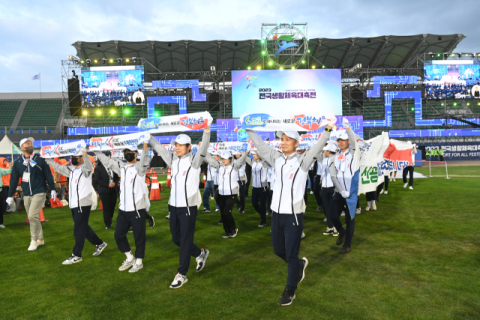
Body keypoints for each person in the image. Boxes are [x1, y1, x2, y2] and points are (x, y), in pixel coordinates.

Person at [247, 120, 333, 306]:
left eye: (288, 139)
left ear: (296, 143)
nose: (283, 142)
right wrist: (248, 128)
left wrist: (327, 129)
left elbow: (318, 145)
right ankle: (299, 266)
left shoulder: (303, 161)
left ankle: (290, 290)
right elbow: (261, 146)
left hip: (293, 215)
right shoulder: (276, 157)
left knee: (291, 255)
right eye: (282, 139)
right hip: (276, 214)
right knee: (278, 250)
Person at [149, 128, 211, 289]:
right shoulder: (173, 160)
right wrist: (148, 137)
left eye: (181, 145)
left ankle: (181, 274)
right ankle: (199, 253)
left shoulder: (194, 161)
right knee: (176, 239)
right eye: (176, 144)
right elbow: (160, 149)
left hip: (188, 207)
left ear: (189, 147)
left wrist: (207, 131)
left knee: (184, 240)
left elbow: (204, 147)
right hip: (174, 207)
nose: (177, 147)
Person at [94, 137, 151, 273]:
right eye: (125, 152)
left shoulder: (140, 168)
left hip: (137, 209)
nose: (127, 154)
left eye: (130, 151)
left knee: (139, 237)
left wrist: (145, 143)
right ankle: (129, 257)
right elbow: (106, 161)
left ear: (136, 154)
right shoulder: (122, 168)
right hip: (123, 210)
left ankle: (139, 262)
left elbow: (145, 158)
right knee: (118, 235)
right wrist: (95, 149)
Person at [46, 147, 108, 265]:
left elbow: (89, 164)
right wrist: (47, 159)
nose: (72, 159)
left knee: (78, 229)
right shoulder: (72, 169)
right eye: (72, 157)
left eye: (75, 157)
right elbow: (58, 167)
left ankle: (77, 255)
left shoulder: (86, 169)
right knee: (83, 227)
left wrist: (84, 151)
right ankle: (100, 243)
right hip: (74, 203)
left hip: (82, 203)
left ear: (81, 158)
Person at [7, 137, 57, 251]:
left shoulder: (40, 158)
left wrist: (53, 188)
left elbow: (48, 174)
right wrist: (10, 195)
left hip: (39, 191)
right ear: (22, 148)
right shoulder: (19, 162)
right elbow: (14, 179)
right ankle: (40, 239)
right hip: (26, 193)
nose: (30, 144)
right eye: (27, 143)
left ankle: (33, 240)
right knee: (34, 217)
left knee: (31, 216)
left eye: (30, 143)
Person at [329, 119, 361, 255]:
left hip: (352, 193)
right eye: (339, 140)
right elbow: (333, 176)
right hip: (339, 192)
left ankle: (347, 244)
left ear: (348, 141)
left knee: (350, 219)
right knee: (332, 216)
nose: (341, 142)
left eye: (343, 140)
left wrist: (348, 128)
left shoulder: (354, 154)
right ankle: (341, 232)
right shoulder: (335, 157)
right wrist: (341, 191)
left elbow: (356, 143)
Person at [205, 150, 247, 238]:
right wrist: (203, 150)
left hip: (232, 193)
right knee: (223, 214)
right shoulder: (219, 166)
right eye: (222, 158)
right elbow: (209, 159)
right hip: (221, 194)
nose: (223, 160)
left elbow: (241, 159)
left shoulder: (235, 166)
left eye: (225, 158)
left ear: (230, 159)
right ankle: (227, 232)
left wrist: (245, 153)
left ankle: (234, 229)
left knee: (227, 212)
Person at [94, 151, 120, 229]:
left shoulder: (113, 167)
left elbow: (116, 177)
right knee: (106, 207)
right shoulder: (98, 168)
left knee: (112, 205)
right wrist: (107, 184)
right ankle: (107, 223)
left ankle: (110, 218)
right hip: (104, 191)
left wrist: (115, 183)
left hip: (113, 190)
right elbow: (97, 180)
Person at [245, 151, 269, 227]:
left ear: (259, 155)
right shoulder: (253, 162)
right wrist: (246, 152)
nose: (253, 156)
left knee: (262, 204)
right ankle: (263, 214)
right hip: (254, 187)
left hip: (262, 187)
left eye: (254, 154)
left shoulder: (264, 163)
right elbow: (244, 158)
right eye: (252, 154)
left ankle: (263, 220)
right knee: (254, 203)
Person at [320, 142, 338, 236]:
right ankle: (330, 227)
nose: (324, 152)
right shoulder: (324, 160)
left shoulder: (336, 159)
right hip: (324, 187)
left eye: (325, 150)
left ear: (329, 151)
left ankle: (336, 227)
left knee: (333, 208)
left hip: (333, 186)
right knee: (327, 208)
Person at [0, 158, 13, 229]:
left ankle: (0, 223)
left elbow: (8, 171)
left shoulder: (0, 170)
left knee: (1, 207)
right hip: (3, 187)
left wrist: (10, 166)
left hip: (0, 189)